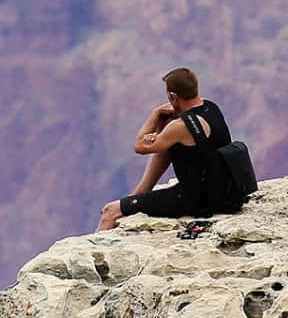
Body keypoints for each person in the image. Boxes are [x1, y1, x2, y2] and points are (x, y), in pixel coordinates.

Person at [97, 67, 237, 231]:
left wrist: (156, 114)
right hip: (223, 192)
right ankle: (140, 193)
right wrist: (162, 134)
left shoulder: (180, 126)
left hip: (195, 200)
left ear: (173, 96)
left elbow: (140, 146)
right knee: (170, 146)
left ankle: (90, 254)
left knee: (110, 210)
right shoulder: (211, 108)